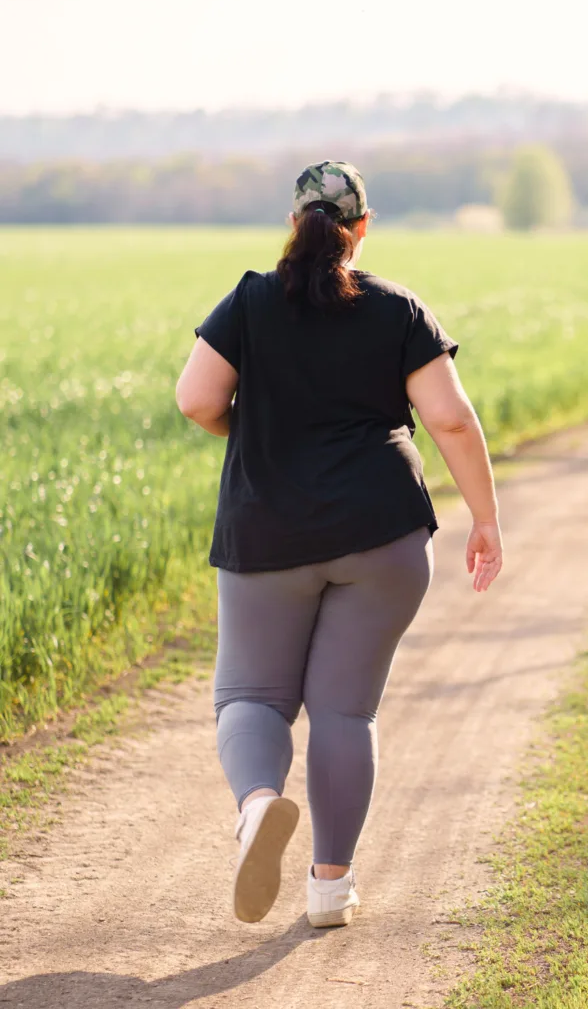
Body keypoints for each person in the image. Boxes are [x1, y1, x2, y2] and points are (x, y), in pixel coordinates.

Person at [176, 160, 503, 929]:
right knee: (344, 713)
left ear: (295, 225)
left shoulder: (251, 300)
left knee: (252, 697)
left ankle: (258, 805)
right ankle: (330, 887)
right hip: (381, 533)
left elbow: (195, 399)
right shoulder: (398, 310)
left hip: (267, 531)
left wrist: (250, 430)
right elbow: (451, 420)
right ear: (361, 228)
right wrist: (486, 519)